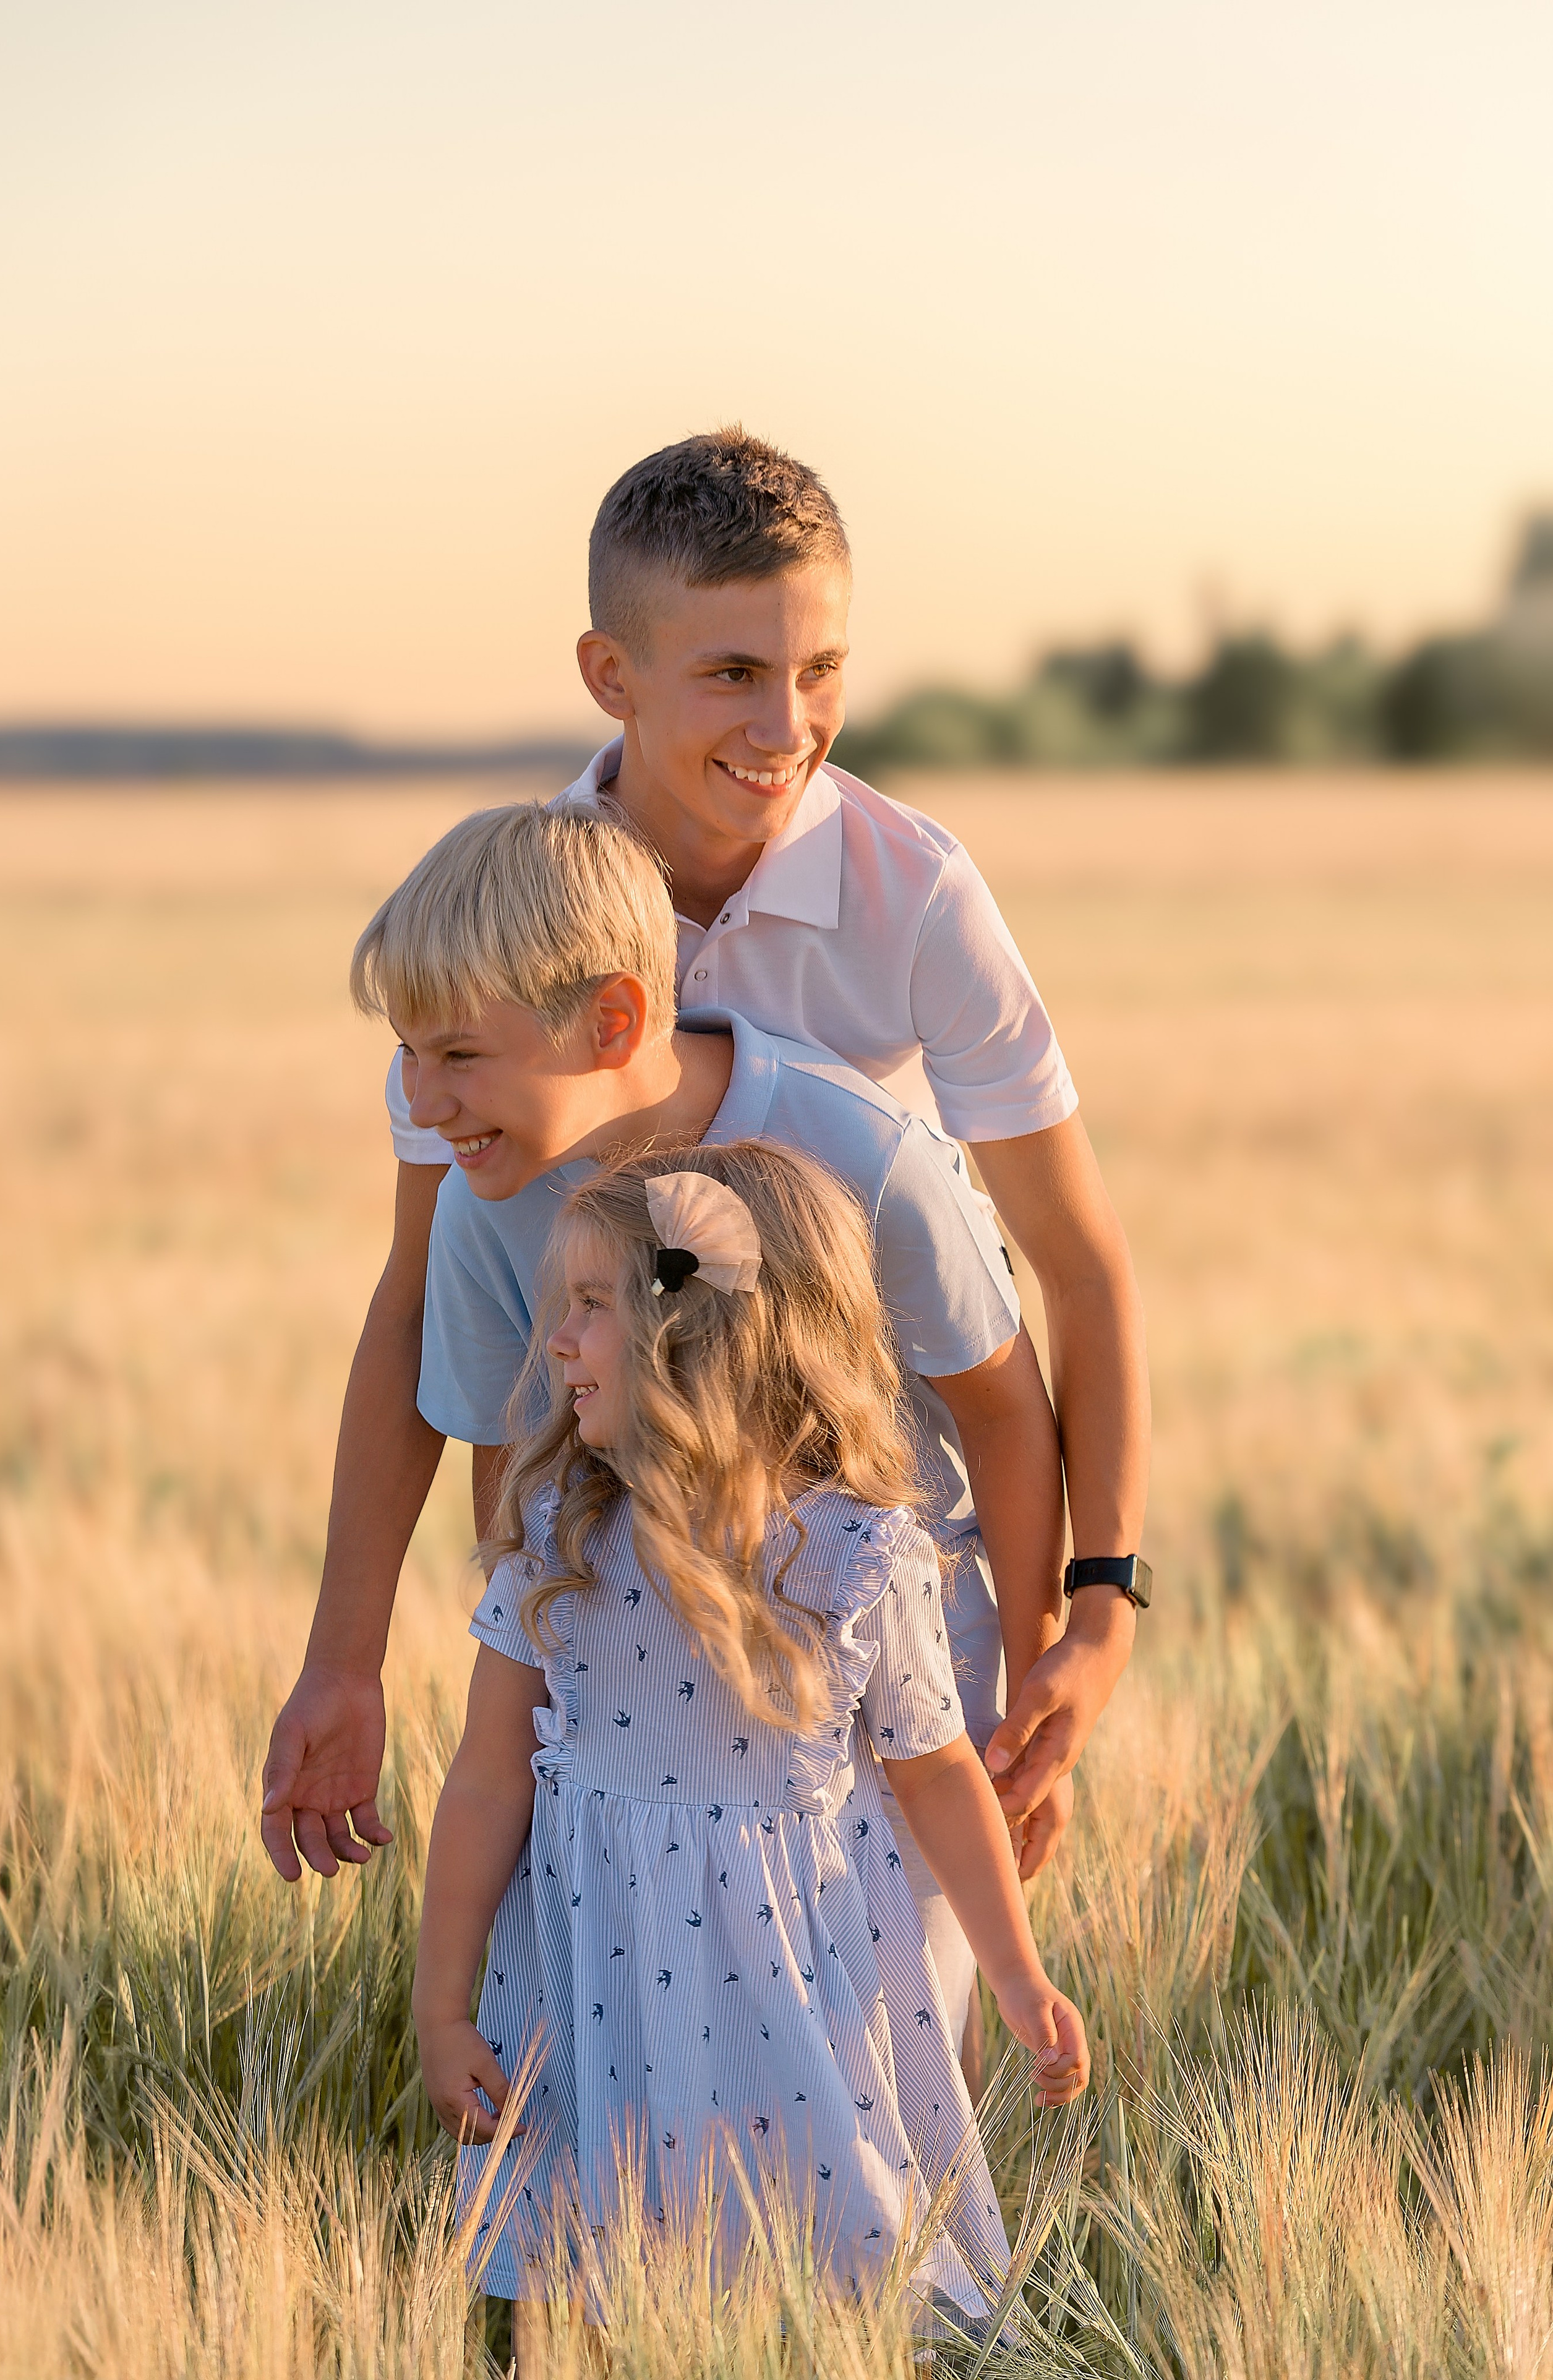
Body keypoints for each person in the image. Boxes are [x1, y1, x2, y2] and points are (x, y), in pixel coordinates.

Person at [263, 426, 1148, 1893]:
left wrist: (1089, 1608)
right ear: (610, 675)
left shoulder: (913, 890)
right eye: (733, 673)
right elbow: (432, 1295)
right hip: (615, 1556)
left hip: (884, 1541)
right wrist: (343, 1662)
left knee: (891, 2015)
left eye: (822, 672)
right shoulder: (498, 924)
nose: (788, 723)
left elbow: (1071, 1262)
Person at [329, 798, 1071, 2076]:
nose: (422, 1099)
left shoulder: (856, 1152)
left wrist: (1030, 1687)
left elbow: (1004, 1416)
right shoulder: (485, 1205)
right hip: (628, 1760)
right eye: (404, 1055)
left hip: (876, 1709)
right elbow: (502, 1482)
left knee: (863, 2092)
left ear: (611, 1022)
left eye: (454, 1055)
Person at [412, 1140, 1090, 2335]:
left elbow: (935, 1778)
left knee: (842, 2278)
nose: (555, 1340)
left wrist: (1016, 1972)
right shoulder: (564, 1531)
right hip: (590, 1976)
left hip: (792, 1981)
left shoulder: (857, 1557)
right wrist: (443, 2001)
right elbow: (484, 1781)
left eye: (589, 1307)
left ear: (702, 1336)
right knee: (590, 2288)